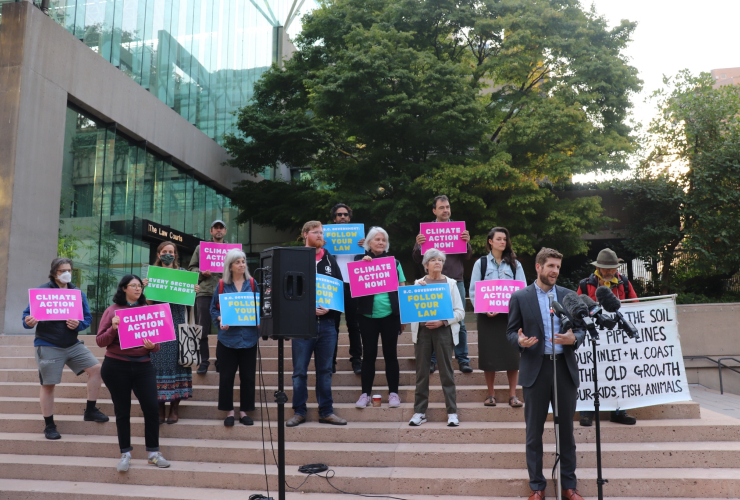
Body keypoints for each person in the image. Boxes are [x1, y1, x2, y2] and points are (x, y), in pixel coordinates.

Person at [506, 248, 586, 500]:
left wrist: (575, 338)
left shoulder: (568, 296)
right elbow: (510, 332)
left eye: (558, 267)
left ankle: (568, 486)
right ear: (538, 267)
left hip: (563, 368)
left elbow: (582, 329)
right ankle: (537, 487)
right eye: (550, 266)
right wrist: (520, 342)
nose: (555, 271)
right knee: (534, 433)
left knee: (567, 434)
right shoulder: (520, 297)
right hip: (535, 369)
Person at [22, 257, 108, 440]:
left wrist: (79, 324)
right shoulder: (41, 292)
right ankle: (49, 425)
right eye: (62, 271)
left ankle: (91, 410)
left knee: (97, 370)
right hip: (48, 344)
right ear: (54, 272)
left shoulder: (77, 293)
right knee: (48, 384)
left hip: (72, 344)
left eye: (69, 269)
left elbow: (87, 318)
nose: (66, 273)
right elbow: (27, 317)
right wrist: (28, 321)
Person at [96, 275, 171, 472]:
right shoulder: (112, 311)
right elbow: (100, 341)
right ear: (123, 289)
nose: (138, 289)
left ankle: (153, 452)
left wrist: (153, 346)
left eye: (139, 286)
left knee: (152, 408)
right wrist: (113, 328)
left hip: (143, 366)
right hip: (115, 366)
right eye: (133, 286)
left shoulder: (147, 310)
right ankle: (125, 453)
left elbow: (157, 344)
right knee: (122, 410)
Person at [286, 221, 347, 427]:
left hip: (327, 324)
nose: (320, 235)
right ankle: (299, 411)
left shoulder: (330, 258)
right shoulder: (295, 259)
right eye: (316, 232)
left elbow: (339, 289)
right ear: (305, 234)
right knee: (300, 371)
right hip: (302, 325)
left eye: (322, 232)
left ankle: (326, 411)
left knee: (325, 371)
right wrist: (306, 308)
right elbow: (288, 291)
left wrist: (330, 307)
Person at [412, 195, 474, 374]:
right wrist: (418, 244)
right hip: (431, 282)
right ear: (434, 211)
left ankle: (462, 359)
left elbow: (468, 256)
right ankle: (432, 360)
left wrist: (466, 242)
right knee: (431, 320)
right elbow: (416, 258)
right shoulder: (426, 231)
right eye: (441, 208)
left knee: (459, 321)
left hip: (455, 282)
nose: (445, 210)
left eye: (447, 207)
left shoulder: (458, 230)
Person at [577, 247, 638, 427]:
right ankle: (586, 411)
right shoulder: (585, 284)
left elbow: (635, 304)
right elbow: (577, 306)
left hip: (617, 337)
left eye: (613, 268)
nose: (610, 271)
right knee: (590, 371)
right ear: (599, 268)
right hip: (593, 335)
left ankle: (618, 411)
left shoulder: (624, 283)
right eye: (606, 268)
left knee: (618, 373)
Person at [469, 227, 527, 408]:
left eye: (505, 239)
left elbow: (523, 289)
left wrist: (515, 312)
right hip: (488, 318)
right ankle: (491, 394)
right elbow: (474, 290)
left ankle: (513, 395)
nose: (503, 242)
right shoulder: (481, 263)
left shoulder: (515, 264)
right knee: (489, 355)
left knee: (512, 356)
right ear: (490, 241)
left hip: (510, 318)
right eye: (499, 239)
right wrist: (485, 308)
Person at [408, 248, 466, 427]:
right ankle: (419, 412)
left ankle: (452, 413)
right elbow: (410, 310)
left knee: (447, 372)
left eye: (440, 260)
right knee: (422, 373)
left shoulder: (450, 284)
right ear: (426, 265)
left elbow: (460, 312)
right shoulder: (418, 284)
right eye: (433, 260)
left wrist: (443, 321)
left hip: (443, 331)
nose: (437, 262)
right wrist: (418, 291)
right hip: (423, 333)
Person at [143, 242, 198, 424]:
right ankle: (160, 408)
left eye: (171, 252)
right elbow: (149, 303)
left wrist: (193, 291)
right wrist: (146, 289)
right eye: (164, 252)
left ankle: (175, 408)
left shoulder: (183, 274)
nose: (168, 254)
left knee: (178, 363)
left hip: (177, 321)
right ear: (158, 254)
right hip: (158, 322)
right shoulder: (153, 275)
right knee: (157, 363)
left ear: (176, 255)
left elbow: (188, 303)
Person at [354, 226, 406, 409]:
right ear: (369, 242)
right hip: (367, 316)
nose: (381, 242)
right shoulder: (359, 260)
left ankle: (393, 393)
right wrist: (363, 263)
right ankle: (365, 394)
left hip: (390, 316)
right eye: (377, 239)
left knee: (391, 354)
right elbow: (355, 285)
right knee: (368, 355)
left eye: (383, 240)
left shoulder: (395, 262)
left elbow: (401, 287)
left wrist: (402, 316)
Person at [210, 249, 259, 427]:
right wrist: (220, 318)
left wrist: (260, 320)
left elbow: (260, 307)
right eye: (238, 262)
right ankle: (229, 411)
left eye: (243, 261)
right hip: (227, 339)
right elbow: (213, 309)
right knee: (226, 376)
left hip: (249, 338)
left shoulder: (252, 283)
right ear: (230, 266)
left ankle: (245, 411)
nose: (242, 264)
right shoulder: (222, 285)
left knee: (248, 377)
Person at [329, 203, 365, 375]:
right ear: (334, 219)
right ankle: (331, 361)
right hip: (334, 285)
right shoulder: (327, 238)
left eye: (345, 214)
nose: (342, 217)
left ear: (350, 217)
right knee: (332, 325)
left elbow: (372, 258)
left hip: (354, 284)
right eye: (338, 215)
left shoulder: (360, 239)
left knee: (354, 324)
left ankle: (356, 359)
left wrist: (366, 246)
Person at [189, 220, 228, 374]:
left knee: (224, 328)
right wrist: (201, 272)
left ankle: (221, 360)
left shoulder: (231, 250)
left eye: (221, 228)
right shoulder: (201, 248)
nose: (218, 230)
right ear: (211, 231)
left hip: (225, 292)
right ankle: (203, 361)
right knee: (202, 328)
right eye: (215, 228)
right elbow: (191, 268)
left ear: (225, 231)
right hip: (204, 292)